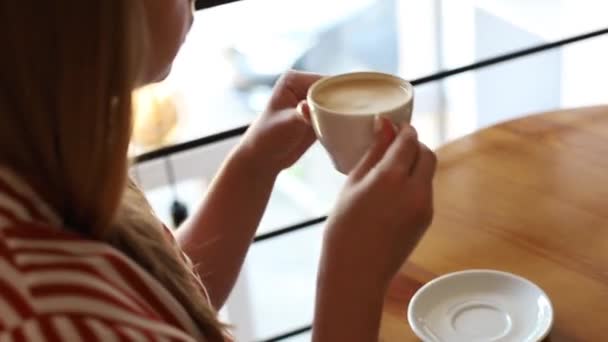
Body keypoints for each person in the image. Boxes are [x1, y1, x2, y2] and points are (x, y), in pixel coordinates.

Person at [0, 1, 436, 341]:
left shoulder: (47, 161)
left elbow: (159, 303)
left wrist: (254, 165)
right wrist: (353, 277)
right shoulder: (47, 317)